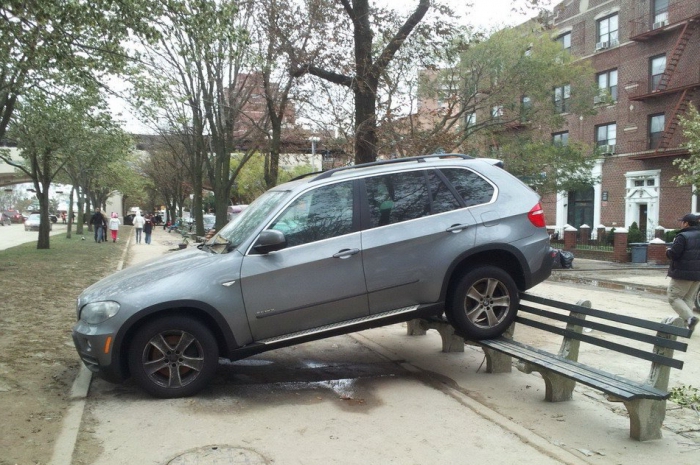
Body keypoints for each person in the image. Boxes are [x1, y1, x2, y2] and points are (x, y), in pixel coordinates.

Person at [666, 213, 700, 332]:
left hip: (682, 273)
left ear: (686, 223)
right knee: (687, 299)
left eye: (682, 222)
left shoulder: (682, 236)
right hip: (697, 275)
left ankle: (690, 318)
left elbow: (675, 254)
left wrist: (668, 251)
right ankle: (685, 326)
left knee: (673, 297)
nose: (681, 223)